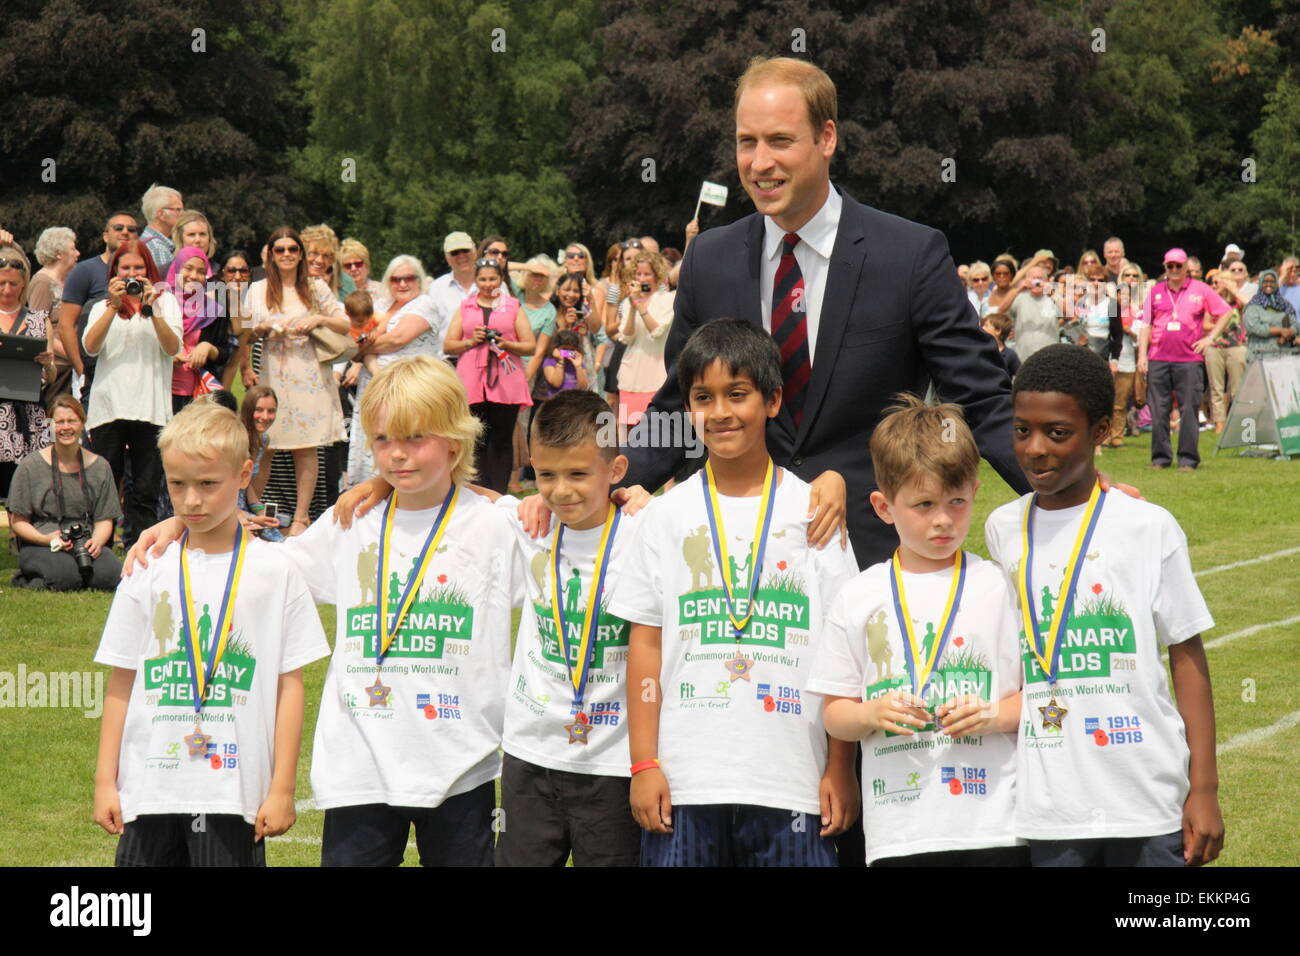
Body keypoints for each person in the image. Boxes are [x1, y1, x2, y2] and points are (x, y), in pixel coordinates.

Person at [125, 355, 522, 866]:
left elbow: (587, 530)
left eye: (414, 438)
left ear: (455, 439)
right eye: (382, 440)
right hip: (358, 765)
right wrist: (184, 525)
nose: (396, 455)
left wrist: (633, 496)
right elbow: (269, 567)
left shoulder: (497, 526)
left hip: (460, 762)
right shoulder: (350, 519)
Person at [608, 319, 861, 866]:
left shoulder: (816, 512)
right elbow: (645, 648)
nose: (720, 412)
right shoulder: (665, 516)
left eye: (737, 394)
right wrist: (644, 763)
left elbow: (844, 654)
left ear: (772, 400)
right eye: (703, 397)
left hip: (791, 779)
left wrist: (839, 767)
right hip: (685, 781)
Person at [984, 345, 1223, 866]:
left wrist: (1203, 788)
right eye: (1022, 430)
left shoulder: (1147, 526)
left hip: (1146, 795)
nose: (1036, 449)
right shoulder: (1002, 529)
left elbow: (1187, 655)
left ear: (1101, 430)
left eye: (1058, 432)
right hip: (1051, 804)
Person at [93, 401, 329, 866]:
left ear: (243, 475)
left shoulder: (276, 570)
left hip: (232, 792)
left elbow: (290, 686)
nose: (191, 501)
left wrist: (282, 788)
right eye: (177, 484)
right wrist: (105, 780)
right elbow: (122, 682)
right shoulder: (147, 567)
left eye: (207, 484)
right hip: (150, 788)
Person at [808, 395, 1024, 866]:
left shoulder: (999, 584)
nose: (943, 519)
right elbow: (835, 713)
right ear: (883, 507)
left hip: (996, 828)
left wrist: (995, 714)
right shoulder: (859, 595)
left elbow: (1042, 695)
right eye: (923, 504)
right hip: (899, 834)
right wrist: (870, 714)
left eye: (957, 501)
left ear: (975, 490)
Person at [245, 226, 349, 534]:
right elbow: (246, 332)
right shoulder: (259, 289)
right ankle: (256, 512)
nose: (287, 255)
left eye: (293, 249)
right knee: (266, 445)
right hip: (274, 372)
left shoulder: (315, 286)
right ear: (271, 255)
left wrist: (317, 319)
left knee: (307, 447)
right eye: (280, 250)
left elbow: (343, 324)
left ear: (300, 253)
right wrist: (264, 328)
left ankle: (302, 517)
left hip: (309, 373)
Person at [81, 240, 182, 548]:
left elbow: (173, 347)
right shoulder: (102, 306)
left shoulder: (166, 303)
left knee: (145, 486)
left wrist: (152, 310)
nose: (132, 274)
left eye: (139, 267)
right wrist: (113, 306)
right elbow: (90, 347)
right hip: (109, 406)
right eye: (125, 268)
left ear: (149, 270)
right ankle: (101, 544)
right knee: (105, 481)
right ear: (114, 272)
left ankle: (141, 544)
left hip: (150, 408)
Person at [345, 255, 443, 485]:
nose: (402, 284)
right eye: (395, 279)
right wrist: (361, 351)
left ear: (419, 279)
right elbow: (356, 342)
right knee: (371, 445)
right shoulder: (379, 306)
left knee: (404, 444)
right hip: (373, 389)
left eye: (409, 278)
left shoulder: (424, 304)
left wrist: (360, 347)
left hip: (409, 389)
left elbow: (397, 339)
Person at [7, 395, 122, 590]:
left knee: (111, 577)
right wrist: (45, 538)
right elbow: (17, 521)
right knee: (66, 578)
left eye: (72, 421)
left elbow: (104, 519)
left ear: (82, 424)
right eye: (59, 422)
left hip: (84, 541)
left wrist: (97, 541)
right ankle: (25, 579)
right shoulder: (30, 466)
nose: (65, 427)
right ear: (50, 426)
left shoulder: (100, 467)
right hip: (42, 541)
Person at [444, 257, 536, 493]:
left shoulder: (513, 306)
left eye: (492, 278)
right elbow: (448, 345)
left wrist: (506, 344)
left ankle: (499, 492)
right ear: (476, 280)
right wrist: (470, 341)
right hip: (473, 381)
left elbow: (530, 346)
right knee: (476, 439)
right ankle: (477, 492)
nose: (487, 284)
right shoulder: (466, 307)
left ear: (501, 280)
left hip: (506, 379)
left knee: (502, 439)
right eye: (482, 279)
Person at [1137, 248, 1232, 471]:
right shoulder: (1155, 292)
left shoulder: (1201, 289)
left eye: (1178, 265)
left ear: (1186, 268)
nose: (1174, 270)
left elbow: (1226, 312)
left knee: (1189, 408)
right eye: (1170, 266)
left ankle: (1188, 459)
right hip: (1158, 357)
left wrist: (1210, 338)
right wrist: (1142, 355)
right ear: (1165, 267)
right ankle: (1160, 458)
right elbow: (1145, 324)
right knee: (1159, 409)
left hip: (1189, 358)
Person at [58, 211, 140, 409]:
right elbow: (67, 325)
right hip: (95, 369)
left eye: (132, 229)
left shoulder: (144, 271)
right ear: (105, 235)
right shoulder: (84, 271)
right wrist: (81, 368)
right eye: (118, 228)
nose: (125, 232)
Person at [0, 245, 53, 498]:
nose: (7, 290)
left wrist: (47, 363)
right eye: (1, 283)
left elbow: (51, 377)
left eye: (13, 284)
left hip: (28, 416)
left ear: (24, 284)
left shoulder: (38, 319)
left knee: (25, 492)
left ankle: (22, 537)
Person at [166, 246, 235, 413]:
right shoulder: (158, 303)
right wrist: (167, 353)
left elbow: (225, 353)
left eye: (201, 272)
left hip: (196, 396)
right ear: (176, 269)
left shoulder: (213, 309)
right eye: (188, 269)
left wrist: (208, 348)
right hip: (159, 393)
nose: (194, 276)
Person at [612, 251, 674, 428]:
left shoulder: (667, 300)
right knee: (631, 431)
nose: (641, 278)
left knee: (656, 429)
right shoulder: (627, 302)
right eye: (638, 274)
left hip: (657, 375)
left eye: (647, 274)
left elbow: (657, 332)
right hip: (631, 375)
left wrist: (640, 305)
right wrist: (632, 306)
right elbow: (627, 336)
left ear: (656, 275)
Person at [28, 227, 80, 397]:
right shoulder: (42, 282)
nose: (78, 253)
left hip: (70, 364)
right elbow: (39, 327)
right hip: (58, 368)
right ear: (59, 253)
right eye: (72, 249)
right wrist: (72, 354)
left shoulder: (67, 282)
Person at [236, 385, 284, 541]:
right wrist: (250, 517)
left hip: (242, 506)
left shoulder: (262, 440)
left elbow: (246, 484)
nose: (265, 416)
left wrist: (260, 510)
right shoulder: (236, 438)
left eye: (271, 411)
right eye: (259, 410)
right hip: (224, 508)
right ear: (248, 409)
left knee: (277, 539)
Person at [1203, 271, 1248, 433]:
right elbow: (1205, 325)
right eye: (1213, 283)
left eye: (1217, 282)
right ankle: (1219, 424)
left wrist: (1234, 290)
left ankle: (1240, 423)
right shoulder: (1211, 302)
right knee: (1216, 388)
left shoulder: (1237, 301)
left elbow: (1251, 305)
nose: (1214, 286)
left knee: (1238, 388)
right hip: (1216, 347)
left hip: (1236, 347)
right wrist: (1220, 326)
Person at [427, 232, 477, 355]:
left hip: (488, 362)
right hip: (448, 364)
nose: (461, 256)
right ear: (447, 259)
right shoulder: (435, 289)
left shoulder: (495, 285)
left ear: (475, 252)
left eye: (465, 250)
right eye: (455, 253)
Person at [1008, 262, 1062, 363]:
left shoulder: (1054, 298)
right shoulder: (1019, 298)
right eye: (1033, 278)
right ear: (1026, 280)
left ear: (1046, 280)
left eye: (1040, 278)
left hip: (1050, 357)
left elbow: (1069, 313)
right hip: (1023, 358)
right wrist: (1019, 288)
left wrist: (1050, 291)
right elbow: (1001, 310)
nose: (1037, 281)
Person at [1243, 269, 1298, 364]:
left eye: (1272, 282)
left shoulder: (1284, 304)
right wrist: (1280, 331)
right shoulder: (1253, 306)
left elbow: (1295, 324)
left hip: (1284, 353)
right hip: (1260, 354)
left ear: (1276, 283)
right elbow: (1254, 328)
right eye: (1265, 281)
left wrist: (1288, 334)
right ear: (1260, 283)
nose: (1269, 284)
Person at [138, 184, 184, 271]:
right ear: (161, 214)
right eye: (178, 209)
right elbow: (170, 284)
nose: (183, 214)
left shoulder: (146, 241)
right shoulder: (158, 249)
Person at [301, 224, 347, 300]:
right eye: (314, 253)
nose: (320, 260)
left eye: (326, 255)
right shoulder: (289, 285)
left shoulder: (325, 291)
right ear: (302, 254)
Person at [981, 311, 1021, 378]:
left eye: (986, 325)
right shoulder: (980, 350)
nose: (982, 328)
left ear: (998, 331)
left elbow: (1021, 375)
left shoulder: (1010, 355)